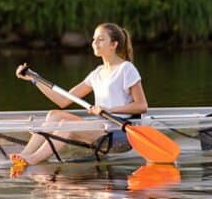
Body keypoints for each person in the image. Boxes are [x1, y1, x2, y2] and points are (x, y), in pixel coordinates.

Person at [11, 23, 148, 173]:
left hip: (120, 133)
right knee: (54, 114)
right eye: (94, 39)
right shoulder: (97, 73)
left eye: (101, 39)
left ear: (114, 44)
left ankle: (33, 160)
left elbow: (141, 106)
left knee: (65, 124)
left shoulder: (126, 69)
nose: (95, 43)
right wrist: (35, 79)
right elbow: (63, 100)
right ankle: (25, 154)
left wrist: (109, 109)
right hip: (100, 128)